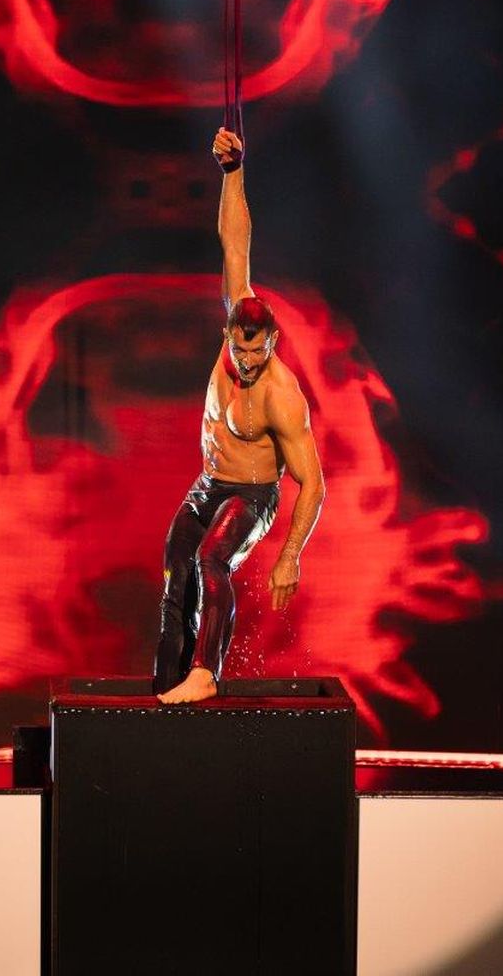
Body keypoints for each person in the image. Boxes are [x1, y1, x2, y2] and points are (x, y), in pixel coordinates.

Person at [153, 127, 325, 705]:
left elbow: (313, 483)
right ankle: (166, 685)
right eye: (240, 350)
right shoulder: (233, 327)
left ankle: (207, 673)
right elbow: (234, 242)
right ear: (229, 332)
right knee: (177, 566)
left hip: (252, 495)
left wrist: (290, 556)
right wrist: (232, 171)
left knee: (212, 558)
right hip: (210, 482)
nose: (247, 362)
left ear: (272, 342)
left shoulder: (282, 394)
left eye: (258, 352)